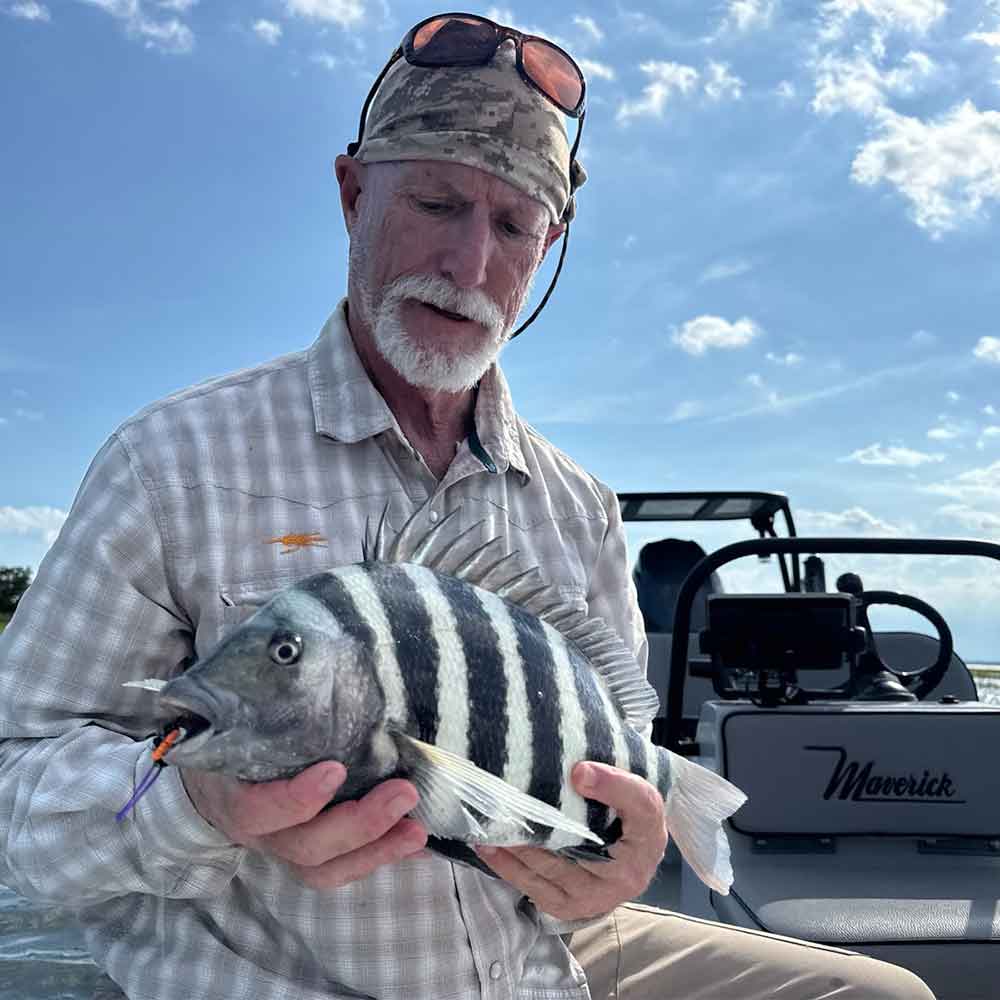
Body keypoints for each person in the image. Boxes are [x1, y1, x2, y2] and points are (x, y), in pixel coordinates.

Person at [0, 12, 934, 1000]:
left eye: (513, 226)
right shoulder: (171, 460)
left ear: (550, 245)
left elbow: (611, 754)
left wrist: (617, 861)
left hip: (541, 965)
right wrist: (196, 805)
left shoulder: (577, 506)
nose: (470, 265)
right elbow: (17, 796)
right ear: (353, 193)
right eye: (438, 203)